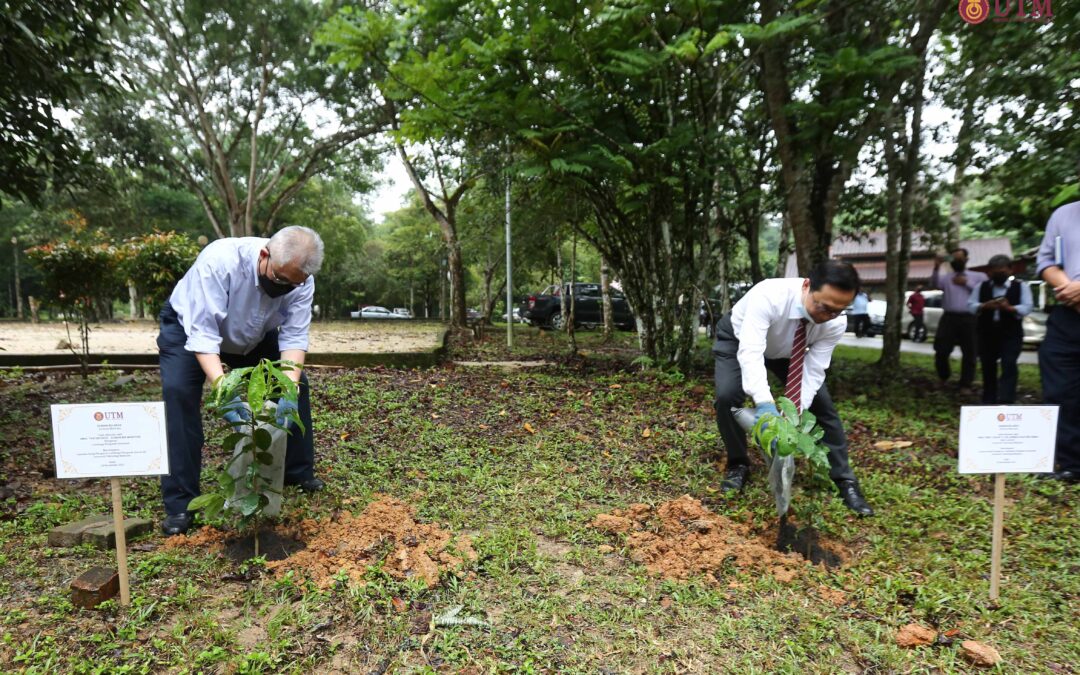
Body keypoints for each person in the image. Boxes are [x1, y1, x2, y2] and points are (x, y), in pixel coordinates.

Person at [157, 226, 326, 535]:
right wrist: (224, 387)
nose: (285, 288)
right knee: (179, 393)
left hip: (256, 335)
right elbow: (203, 334)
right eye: (280, 280)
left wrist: (287, 388)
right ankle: (181, 503)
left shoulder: (301, 279)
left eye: (293, 285)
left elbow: (294, 335)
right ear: (265, 255)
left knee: (296, 386)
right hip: (189, 330)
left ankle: (297, 473)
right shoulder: (219, 261)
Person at [712, 260, 873, 515]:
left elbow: (814, 370)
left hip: (789, 351)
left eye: (837, 310)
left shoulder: (835, 322)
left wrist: (793, 414)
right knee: (727, 396)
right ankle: (737, 464)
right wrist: (765, 405)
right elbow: (751, 352)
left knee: (824, 408)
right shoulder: (769, 295)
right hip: (740, 338)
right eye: (823, 306)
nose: (827, 316)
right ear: (807, 285)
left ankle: (844, 480)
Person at [1036, 202, 1080, 483]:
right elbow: (1046, 261)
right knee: (1061, 388)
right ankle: (1072, 463)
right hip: (1068, 313)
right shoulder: (1064, 214)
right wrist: (1071, 290)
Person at [968, 255, 1032, 404]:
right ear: (990, 272)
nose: (999, 275)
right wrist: (984, 306)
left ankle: (1007, 399)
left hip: (1011, 333)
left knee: (1009, 363)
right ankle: (988, 399)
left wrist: (1010, 308)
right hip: (987, 333)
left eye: (1002, 272)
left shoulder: (1021, 286)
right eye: (995, 272)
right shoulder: (981, 287)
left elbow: (1027, 307)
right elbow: (970, 305)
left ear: (1010, 270)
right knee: (987, 365)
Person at [930, 247, 988, 390]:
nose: (956, 261)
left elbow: (985, 293)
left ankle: (966, 384)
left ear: (966, 259)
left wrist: (966, 283)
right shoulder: (947, 277)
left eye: (959, 258)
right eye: (954, 258)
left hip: (970, 318)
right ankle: (943, 377)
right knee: (941, 349)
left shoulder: (978, 276)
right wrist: (937, 266)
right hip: (949, 317)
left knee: (970, 352)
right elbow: (934, 284)